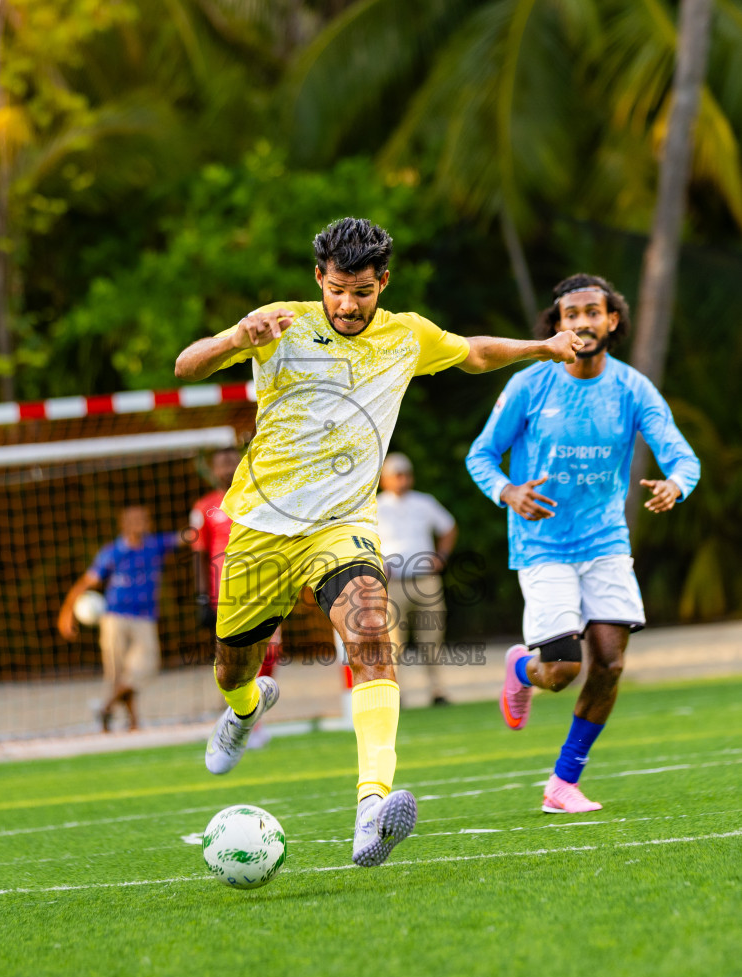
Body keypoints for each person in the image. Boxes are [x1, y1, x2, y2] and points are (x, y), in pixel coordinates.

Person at [174, 216, 583, 867]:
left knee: (372, 639)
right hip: (259, 526)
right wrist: (233, 336)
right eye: (337, 290)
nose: (347, 305)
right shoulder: (280, 323)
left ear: (382, 283)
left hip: (342, 526)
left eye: (361, 292)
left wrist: (543, 347)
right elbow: (185, 366)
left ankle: (371, 809)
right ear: (319, 279)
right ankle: (245, 711)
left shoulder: (406, 335)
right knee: (231, 669)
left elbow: (474, 352)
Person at [466, 273, 701, 813]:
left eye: (592, 312)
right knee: (561, 672)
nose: (582, 323)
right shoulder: (530, 385)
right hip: (541, 544)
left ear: (612, 320)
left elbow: (681, 456)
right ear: (557, 325)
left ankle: (562, 783)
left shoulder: (633, 388)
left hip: (605, 542)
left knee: (611, 663)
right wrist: (508, 491)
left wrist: (676, 484)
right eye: (570, 315)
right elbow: (481, 455)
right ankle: (521, 669)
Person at [58, 506, 182, 731]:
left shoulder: (155, 545)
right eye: (134, 519)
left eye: (143, 518)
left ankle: (106, 706)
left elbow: (186, 537)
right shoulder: (113, 552)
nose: (140, 523)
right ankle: (132, 721)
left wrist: (207, 517)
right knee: (116, 673)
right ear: (124, 525)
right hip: (114, 617)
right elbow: (86, 583)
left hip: (145, 617)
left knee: (145, 666)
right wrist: (66, 613)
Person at [190, 446, 280, 740]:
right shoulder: (204, 507)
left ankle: (253, 721)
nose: (227, 468)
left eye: (232, 461)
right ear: (212, 469)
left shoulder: (258, 497)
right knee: (235, 662)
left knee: (271, 651)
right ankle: (241, 722)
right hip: (225, 595)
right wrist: (202, 597)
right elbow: (198, 553)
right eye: (221, 463)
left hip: (264, 587)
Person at [377, 452, 458, 705]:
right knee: (393, 641)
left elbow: (448, 527)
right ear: (384, 479)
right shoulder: (375, 506)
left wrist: (442, 556)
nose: (401, 479)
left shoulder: (424, 502)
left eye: (405, 474)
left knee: (432, 636)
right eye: (396, 475)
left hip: (425, 580)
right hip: (393, 583)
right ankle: (396, 693)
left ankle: (437, 690)